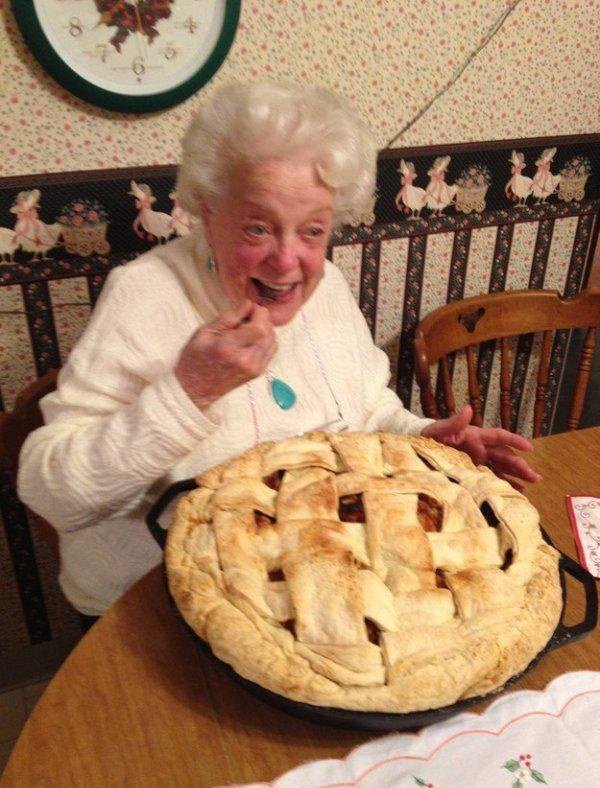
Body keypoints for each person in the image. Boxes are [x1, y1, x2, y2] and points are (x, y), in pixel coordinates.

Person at [17, 81, 539, 622]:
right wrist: (188, 392)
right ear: (205, 211)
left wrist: (424, 437)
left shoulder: (327, 286)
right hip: (157, 603)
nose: (288, 261)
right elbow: (50, 493)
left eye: (312, 231)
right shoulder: (144, 295)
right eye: (258, 228)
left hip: (310, 584)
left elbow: (367, 410)